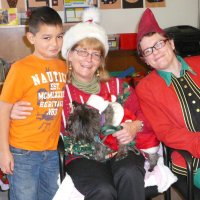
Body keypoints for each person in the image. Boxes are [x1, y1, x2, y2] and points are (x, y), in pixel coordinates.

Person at [10, 7, 161, 200]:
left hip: (122, 150)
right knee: (103, 190)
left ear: (101, 60)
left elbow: (146, 115)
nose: (89, 59)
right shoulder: (58, 89)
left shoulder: (117, 85)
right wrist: (13, 109)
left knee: (130, 173)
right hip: (82, 157)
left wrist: (134, 126)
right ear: (69, 55)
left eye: (95, 54)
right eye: (82, 51)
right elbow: (38, 111)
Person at [0, 6, 67, 200]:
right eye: (46, 38)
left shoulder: (63, 66)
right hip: (23, 152)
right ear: (31, 38)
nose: (54, 43)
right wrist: (4, 151)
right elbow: (3, 108)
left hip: (51, 151)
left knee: (51, 196)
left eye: (59, 36)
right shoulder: (20, 68)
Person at [135, 8, 200, 198]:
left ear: (170, 43)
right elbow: (166, 132)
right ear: (145, 60)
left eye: (159, 44)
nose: (155, 52)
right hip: (190, 158)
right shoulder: (147, 88)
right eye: (148, 51)